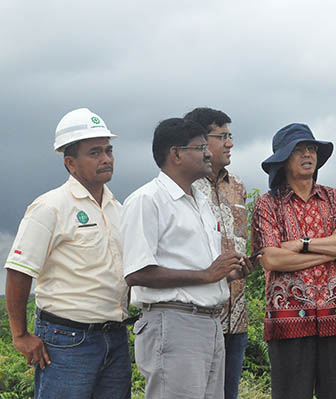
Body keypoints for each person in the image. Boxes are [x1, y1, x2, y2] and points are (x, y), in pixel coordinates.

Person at [121, 118, 254, 399]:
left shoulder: (200, 202)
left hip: (210, 323)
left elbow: (200, 267)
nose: (208, 153)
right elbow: (136, 273)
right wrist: (207, 275)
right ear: (176, 154)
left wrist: (230, 272)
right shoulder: (148, 200)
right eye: (200, 147)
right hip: (173, 322)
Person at [4, 108, 132, 399]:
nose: (106, 159)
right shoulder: (50, 207)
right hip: (66, 340)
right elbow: (19, 270)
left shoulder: (118, 209)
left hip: (115, 337)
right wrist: (20, 335)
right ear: (70, 163)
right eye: (95, 152)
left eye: (109, 150)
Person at [250, 123, 336, 399]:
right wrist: (332, 250)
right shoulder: (268, 205)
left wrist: (303, 245)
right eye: (298, 150)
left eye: (311, 148)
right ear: (283, 159)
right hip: (287, 323)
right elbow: (271, 259)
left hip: (335, 317)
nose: (307, 154)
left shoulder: (335, 198)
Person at [183, 107, 248, 399]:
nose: (229, 143)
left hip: (237, 319)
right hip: (196, 317)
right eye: (222, 136)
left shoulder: (237, 187)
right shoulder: (183, 187)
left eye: (230, 136)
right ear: (198, 140)